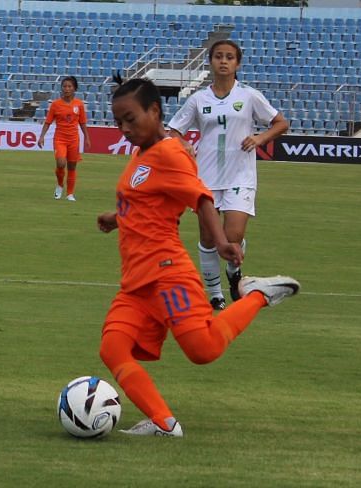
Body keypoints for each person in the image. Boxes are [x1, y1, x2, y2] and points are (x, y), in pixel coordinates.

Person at [96, 75, 299, 437]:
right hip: (137, 281)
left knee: (202, 350)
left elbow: (201, 198)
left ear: (155, 111)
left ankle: (256, 295)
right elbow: (150, 201)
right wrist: (116, 219)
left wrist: (221, 242)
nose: (124, 128)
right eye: (118, 122)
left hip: (166, 272)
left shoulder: (171, 153)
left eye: (130, 119)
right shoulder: (143, 153)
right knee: (113, 349)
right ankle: (164, 424)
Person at [168, 40, 289, 310]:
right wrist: (183, 144)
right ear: (210, 62)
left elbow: (281, 122)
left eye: (230, 57)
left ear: (238, 64)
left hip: (240, 176)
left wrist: (260, 138)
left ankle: (234, 274)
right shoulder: (198, 99)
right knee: (209, 238)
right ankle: (214, 294)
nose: (224, 61)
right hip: (206, 177)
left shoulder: (249, 96)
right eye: (219, 57)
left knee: (232, 236)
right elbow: (173, 131)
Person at [37, 76, 91, 202]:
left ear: (74, 88)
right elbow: (48, 122)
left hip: (73, 139)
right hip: (60, 138)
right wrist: (41, 136)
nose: (66, 89)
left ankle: (70, 194)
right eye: (64, 86)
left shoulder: (79, 104)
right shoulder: (56, 104)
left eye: (69, 86)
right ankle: (60, 184)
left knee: (72, 167)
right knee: (61, 163)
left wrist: (87, 137)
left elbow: (82, 123)